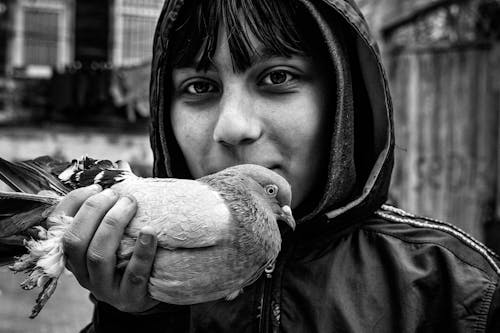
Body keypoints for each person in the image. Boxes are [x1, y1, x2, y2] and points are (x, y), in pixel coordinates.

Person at [53, 0, 500, 331]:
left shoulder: (458, 289)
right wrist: (135, 319)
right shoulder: (139, 255)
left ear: (343, 101)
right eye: (199, 86)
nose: (233, 127)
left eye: (277, 77)